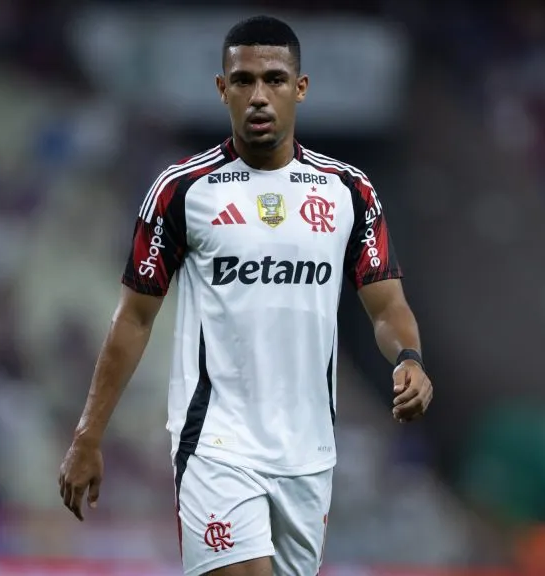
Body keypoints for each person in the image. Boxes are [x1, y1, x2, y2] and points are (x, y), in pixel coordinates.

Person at [57, 15, 432, 576]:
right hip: (217, 443)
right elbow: (133, 318)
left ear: (300, 88)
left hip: (308, 455)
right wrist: (88, 434)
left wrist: (408, 358)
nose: (259, 96)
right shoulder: (183, 191)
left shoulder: (348, 191)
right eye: (244, 81)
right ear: (222, 89)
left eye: (275, 80)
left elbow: (386, 305)